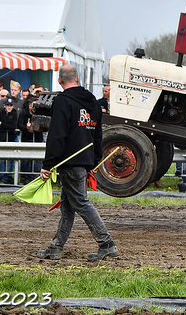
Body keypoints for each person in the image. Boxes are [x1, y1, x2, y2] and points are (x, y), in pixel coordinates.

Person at [37, 63, 119, 262]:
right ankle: (56, 247)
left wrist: (48, 164)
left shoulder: (63, 101)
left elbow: (57, 135)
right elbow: (98, 132)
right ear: (78, 79)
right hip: (84, 159)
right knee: (67, 205)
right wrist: (95, 158)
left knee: (81, 203)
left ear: (59, 81)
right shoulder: (91, 100)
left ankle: (106, 244)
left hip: (69, 161)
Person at [17, 96, 44, 183]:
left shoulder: (39, 114)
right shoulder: (23, 113)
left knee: (36, 160)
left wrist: (36, 128)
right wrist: (26, 127)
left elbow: (44, 125)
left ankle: (33, 177)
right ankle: (24, 177)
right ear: (29, 106)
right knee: (25, 160)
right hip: (26, 138)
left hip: (37, 139)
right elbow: (19, 125)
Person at [0, 97, 19, 184]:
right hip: (0, 139)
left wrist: (2, 124)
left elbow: (13, 126)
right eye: (7, 105)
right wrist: (6, 124)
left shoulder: (14, 114)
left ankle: (4, 178)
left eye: (10, 105)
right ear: (4, 106)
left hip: (9, 140)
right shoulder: (0, 113)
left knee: (8, 161)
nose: (9, 107)